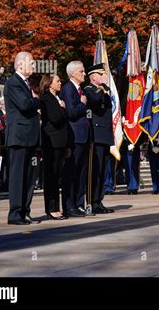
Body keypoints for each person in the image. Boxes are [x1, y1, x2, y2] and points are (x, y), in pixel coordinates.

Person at [4, 51, 41, 225]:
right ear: (20, 64)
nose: (34, 66)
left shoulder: (26, 84)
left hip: (29, 138)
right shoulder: (13, 82)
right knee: (18, 176)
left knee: (29, 177)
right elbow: (25, 105)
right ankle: (15, 214)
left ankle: (25, 211)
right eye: (31, 63)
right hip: (19, 137)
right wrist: (36, 100)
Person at [84, 63, 115, 214]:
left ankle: (99, 200)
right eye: (101, 75)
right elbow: (94, 101)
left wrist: (104, 90)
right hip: (96, 135)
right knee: (94, 171)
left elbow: (109, 107)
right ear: (93, 76)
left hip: (105, 135)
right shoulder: (89, 90)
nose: (104, 77)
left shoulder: (103, 91)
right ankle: (91, 202)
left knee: (103, 170)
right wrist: (102, 88)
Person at [60, 61, 90, 217]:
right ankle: (69, 205)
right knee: (70, 173)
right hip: (74, 137)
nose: (84, 74)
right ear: (72, 73)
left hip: (83, 136)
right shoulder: (68, 89)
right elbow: (71, 112)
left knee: (81, 173)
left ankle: (79, 203)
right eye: (81, 71)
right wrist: (83, 104)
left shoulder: (81, 90)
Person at [40, 74, 68, 220]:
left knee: (57, 176)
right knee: (51, 176)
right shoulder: (46, 98)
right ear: (49, 83)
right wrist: (63, 109)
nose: (60, 83)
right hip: (51, 142)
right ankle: (51, 208)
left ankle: (57, 207)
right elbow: (55, 118)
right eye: (57, 81)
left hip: (60, 143)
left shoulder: (57, 98)